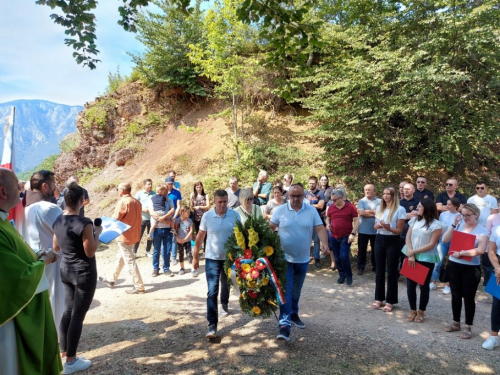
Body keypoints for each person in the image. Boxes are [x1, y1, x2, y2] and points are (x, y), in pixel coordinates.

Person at [0, 167, 63, 375]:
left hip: (40, 277)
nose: (21, 188)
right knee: (13, 364)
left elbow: (16, 252)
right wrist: (42, 262)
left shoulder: (4, 221)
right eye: (17, 185)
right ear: (3, 192)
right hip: (12, 317)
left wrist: (35, 255)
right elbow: (14, 279)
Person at [52, 182, 102, 373]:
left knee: (68, 312)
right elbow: (90, 252)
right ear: (82, 200)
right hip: (84, 273)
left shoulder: (58, 220)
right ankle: (71, 362)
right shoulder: (84, 223)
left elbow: (56, 247)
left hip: (66, 270)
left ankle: (64, 353)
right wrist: (98, 234)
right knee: (78, 316)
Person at [270, 184, 329, 341]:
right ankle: (284, 326)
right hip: (284, 259)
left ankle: (294, 313)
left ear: (304, 196)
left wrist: (325, 243)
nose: (296, 199)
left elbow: (320, 228)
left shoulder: (310, 211)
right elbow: (271, 227)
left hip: (303, 259)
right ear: (288, 196)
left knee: (296, 291)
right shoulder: (280, 210)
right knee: (287, 291)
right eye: (293, 196)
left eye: (299, 196)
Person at [20, 170, 64, 337]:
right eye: (53, 185)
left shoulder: (24, 209)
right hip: (54, 259)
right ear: (45, 186)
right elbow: (64, 235)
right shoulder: (50, 208)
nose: (55, 188)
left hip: (34, 259)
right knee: (56, 300)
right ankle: (60, 339)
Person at [192, 190, 241, 338]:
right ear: (214, 202)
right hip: (212, 258)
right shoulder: (207, 216)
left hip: (229, 259)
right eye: (219, 202)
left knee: (225, 285)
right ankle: (212, 325)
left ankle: (224, 304)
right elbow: (200, 237)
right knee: (212, 290)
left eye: (225, 201)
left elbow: (241, 235)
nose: (222, 205)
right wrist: (195, 257)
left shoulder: (234, 215)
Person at [442, 203, 488, 339]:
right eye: (463, 214)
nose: (465, 217)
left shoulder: (482, 231)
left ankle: (468, 327)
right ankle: (456, 323)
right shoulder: (459, 225)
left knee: (468, 298)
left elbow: (480, 250)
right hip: (454, 265)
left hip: (470, 268)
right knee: (455, 295)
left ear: (476, 215)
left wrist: (462, 253)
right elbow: (445, 240)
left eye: (468, 215)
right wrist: (453, 225)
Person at [100, 183, 145, 294]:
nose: (118, 192)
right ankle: (111, 279)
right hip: (134, 235)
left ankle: (139, 286)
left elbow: (115, 219)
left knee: (129, 261)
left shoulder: (123, 202)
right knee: (121, 257)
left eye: (118, 190)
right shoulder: (137, 202)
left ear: (123, 190)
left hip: (124, 236)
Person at [403, 200, 442, 323]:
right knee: (410, 285)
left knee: (424, 286)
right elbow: (408, 237)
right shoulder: (414, 220)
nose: (417, 208)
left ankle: (421, 311)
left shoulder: (436, 225)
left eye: (419, 206)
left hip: (426, 258)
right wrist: (411, 253)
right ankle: (412, 310)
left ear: (426, 208)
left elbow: (431, 244)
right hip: (411, 255)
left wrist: (414, 252)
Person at [372, 186, 406, 312]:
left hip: (393, 240)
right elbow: (375, 226)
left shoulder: (400, 209)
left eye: (388, 194)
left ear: (393, 196)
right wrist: (378, 225)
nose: (385, 196)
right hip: (379, 239)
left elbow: (399, 230)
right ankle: (379, 298)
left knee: (392, 271)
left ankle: (390, 300)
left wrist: (388, 228)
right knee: (379, 270)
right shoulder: (379, 208)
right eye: (384, 193)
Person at [325, 189, 359, 285]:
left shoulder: (350, 207)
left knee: (343, 256)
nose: (333, 202)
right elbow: (328, 219)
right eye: (332, 200)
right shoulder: (331, 207)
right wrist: (327, 224)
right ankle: (341, 275)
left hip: (346, 236)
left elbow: (356, 221)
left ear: (342, 198)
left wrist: (352, 233)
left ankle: (349, 275)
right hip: (334, 235)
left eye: (335, 200)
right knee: (337, 257)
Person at [429, 197, 461, 294]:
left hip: (455, 241)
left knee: (452, 264)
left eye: (449, 204)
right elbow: (440, 227)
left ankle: (448, 284)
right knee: (437, 261)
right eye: (447, 204)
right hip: (443, 240)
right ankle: (433, 281)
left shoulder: (460, 216)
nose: (447, 206)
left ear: (455, 206)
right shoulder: (442, 214)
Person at [149, 184, 175, 277]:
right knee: (156, 250)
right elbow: (152, 213)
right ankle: (155, 269)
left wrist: (163, 217)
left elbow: (172, 211)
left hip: (167, 229)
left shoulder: (170, 200)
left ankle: (166, 268)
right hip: (157, 229)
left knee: (167, 250)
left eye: (166, 190)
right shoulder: (153, 198)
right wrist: (165, 220)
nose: (165, 191)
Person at [482, 227, 500, 350]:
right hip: (499, 266)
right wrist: (498, 268)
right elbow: (491, 251)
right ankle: (494, 336)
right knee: (497, 302)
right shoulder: (498, 229)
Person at [357, 184, 380, 275]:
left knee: (376, 250)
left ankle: (376, 267)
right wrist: (375, 213)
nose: (367, 191)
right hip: (363, 229)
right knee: (362, 250)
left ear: (374, 191)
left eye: (369, 190)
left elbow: (381, 213)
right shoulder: (361, 201)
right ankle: (361, 267)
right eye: (366, 190)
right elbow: (361, 213)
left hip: (376, 230)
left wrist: (367, 211)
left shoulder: (380, 201)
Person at [305, 176, 326, 269]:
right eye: (310, 183)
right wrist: (314, 205)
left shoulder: (320, 193)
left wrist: (309, 205)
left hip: (316, 220)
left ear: (316, 184)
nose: (311, 185)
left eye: (313, 183)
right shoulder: (305, 193)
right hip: (305, 220)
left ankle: (316, 258)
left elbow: (321, 206)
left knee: (317, 240)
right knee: (306, 240)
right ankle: (306, 258)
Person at [133, 178, 155, 258]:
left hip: (152, 218)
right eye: (148, 184)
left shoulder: (154, 194)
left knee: (150, 235)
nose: (150, 185)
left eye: (151, 184)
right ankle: (134, 252)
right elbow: (134, 205)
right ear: (144, 185)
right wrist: (143, 209)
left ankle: (148, 251)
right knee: (139, 235)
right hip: (142, 218)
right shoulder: (139, 194)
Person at [165, 176, 182, 264]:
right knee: (165, 238)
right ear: (165, 184)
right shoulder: (163, 192)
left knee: (174, 238)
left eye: (171, 184)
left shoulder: (177, 193)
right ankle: (165, 256)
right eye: (168, 184)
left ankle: (174, 257)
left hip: (175, 218)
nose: (170, 185)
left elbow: (178, 206)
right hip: (165, 219)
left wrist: (174, 217)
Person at [190, 181, 210, 251]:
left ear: (202, 187)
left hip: (204, 217)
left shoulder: (205, 196)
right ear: (195, 188)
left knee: (205, 234)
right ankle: (197, 249)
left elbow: (208, 206)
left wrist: (200, 207)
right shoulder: (193, 196)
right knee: (198, 234)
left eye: (200, 187)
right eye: (197, 187)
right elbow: (191, 207)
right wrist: (191, 199)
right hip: (196, 218)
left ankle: (205, 250)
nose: (199, 189)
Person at [174, 206, 194, 275]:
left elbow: (191, 230)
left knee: (189, 254)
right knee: (181, 254)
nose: (189, 213)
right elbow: (175, 231)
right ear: (182, 213)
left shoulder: (190, 221)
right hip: (180, 240)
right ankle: (182, 268)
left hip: (187, 240)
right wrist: (177, 239)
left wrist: (186, 239)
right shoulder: (177, 221)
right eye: (187, 212)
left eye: (189, 212)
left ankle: (193, 268)